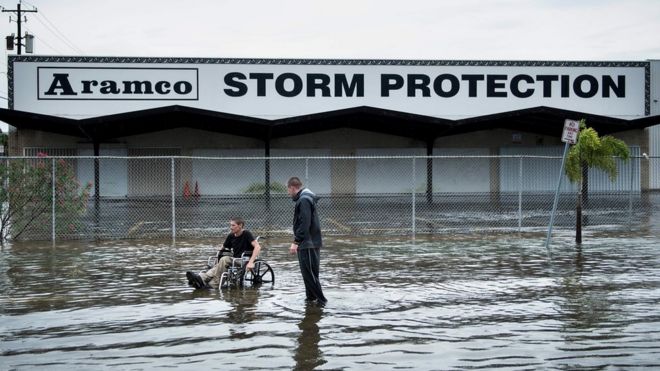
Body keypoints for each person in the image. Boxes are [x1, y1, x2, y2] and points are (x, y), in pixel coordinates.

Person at [186, 217, 261, 289]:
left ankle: (214, 284)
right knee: (218, 265)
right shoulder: (231, 235)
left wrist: (251, 262)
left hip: (244, 260)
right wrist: (217, 249)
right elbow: (224, 246)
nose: (231, 227)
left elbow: (257, 247)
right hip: (235, 259)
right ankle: (201, 278)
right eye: (230, 225)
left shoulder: (246, 234)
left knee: (224, 259)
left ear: (240, 225)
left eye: (233, 225)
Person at [287, 177, 327, 305]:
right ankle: (310, 300)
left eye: (288, 190)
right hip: (311, 242)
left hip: (307, 243)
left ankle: (322, 301)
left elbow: (305, 223)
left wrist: (296, 241)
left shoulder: (303, 200)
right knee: (310, 275)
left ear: (292, 188)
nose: (288, 193)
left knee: (309, 275)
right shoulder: (306, 198)